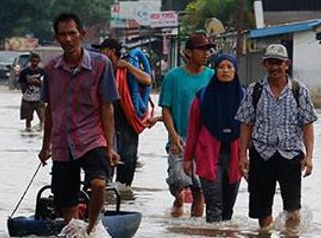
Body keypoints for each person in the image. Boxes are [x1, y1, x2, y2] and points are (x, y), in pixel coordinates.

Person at [38, 13, 121, 234]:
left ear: (82, 35)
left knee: (98, 184)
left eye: (72, 34)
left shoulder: (101, 64)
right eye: (62, 35)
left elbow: (107, 106)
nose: (67, 39)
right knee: (67, 205)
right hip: (63, 144)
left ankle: (92, 231)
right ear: (57, 38)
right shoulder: (51, 70)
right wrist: (45, 146)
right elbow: (50, 111)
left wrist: (110, 146)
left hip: (92, 138)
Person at [235, 44, 317, 231]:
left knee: (293, 210)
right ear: (265, 64)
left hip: (290, 155)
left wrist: (309, 156)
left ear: (286, 64)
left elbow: (307, 125)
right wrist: (242, 156)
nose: (274, 67)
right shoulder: (254, 90)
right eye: (270, 63)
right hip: (261, 154)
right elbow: (246, 125)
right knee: (262, 210)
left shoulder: (299, 91)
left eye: (278, 63)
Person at [158, 32, 215, 218]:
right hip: (180, 138)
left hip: (203, 141)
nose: (206, 54)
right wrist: (173, 135)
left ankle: (194, 232)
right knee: (178, 181)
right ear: (188, 53)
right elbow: (165, 108)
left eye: (208, 50)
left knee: (200, 189)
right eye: (201, 50)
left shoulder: (212, 77)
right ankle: (178, 199)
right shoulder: (173, 77)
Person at [183, 53, 244, 223]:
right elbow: (193, 130)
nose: (225, 71)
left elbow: (251, 130)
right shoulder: (202, 97)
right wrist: (187, 159)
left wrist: (249, 157)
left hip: (235, 157)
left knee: (227, 211)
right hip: (208, 157)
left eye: (229, 67)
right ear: (215, 70)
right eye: (221, 67)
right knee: (214, 207)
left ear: (235, 70)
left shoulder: (244, 98)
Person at [95, 38, 152, 189]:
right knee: (102, 162)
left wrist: (127, 66)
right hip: (104, 122)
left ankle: (124, 196)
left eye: (102, 50)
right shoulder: (99, 69)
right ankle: (104, 194)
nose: (100, 53)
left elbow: (147, 80)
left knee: (127, 160)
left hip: (127, 121)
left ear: (111, 51)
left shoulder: (126, 68)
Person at [18, 53, 45, 131]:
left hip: (39, 99)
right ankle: (28, 132)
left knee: (43, 119)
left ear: (39, 61)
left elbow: (45, 85)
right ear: (30, 61)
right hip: (27, 99)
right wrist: (28, 83)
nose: (35, 63)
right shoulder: (24, 72)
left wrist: (38, 83)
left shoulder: (42, 71)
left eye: (36, 61)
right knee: (28, 120)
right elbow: (21, 86)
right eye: (33, 61)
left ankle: (40, 133)